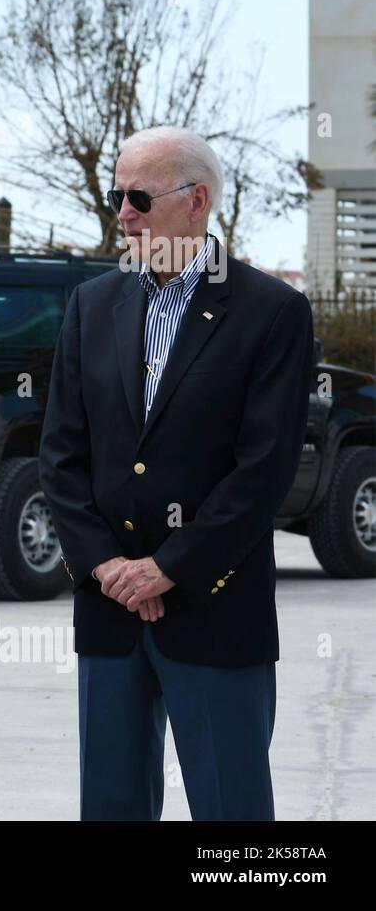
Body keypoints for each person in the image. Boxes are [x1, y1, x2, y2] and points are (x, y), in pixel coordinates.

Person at [39, 126, 315, 820]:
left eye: (138, 196)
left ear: (196, 202)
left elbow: (264, 469)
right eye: (116, 195)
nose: (122, 213)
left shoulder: (272, 312)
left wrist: (169, 567)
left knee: (231, 814)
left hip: (216, 609)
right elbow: (61, 456)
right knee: (112, 807)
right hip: (110, 613)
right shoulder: (92, 305)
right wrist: (108, 567)